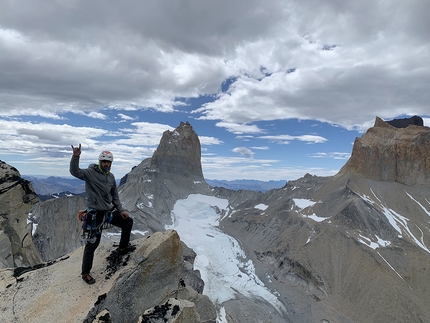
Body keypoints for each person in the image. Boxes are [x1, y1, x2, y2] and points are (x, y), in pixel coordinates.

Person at [70, 144, 135, 284]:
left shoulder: (111, 177)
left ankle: (123, 246)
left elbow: (115, 196)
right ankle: (85, 273)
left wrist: (121, 210)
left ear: (111, 163)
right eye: (104, 161)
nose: (106, 164)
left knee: (127, 222)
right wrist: (76, 157)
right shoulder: (90, 173)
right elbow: (75, 172)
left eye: (108, 162)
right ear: (100, 162)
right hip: (95, 214)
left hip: (108, 211)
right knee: (92, 244)